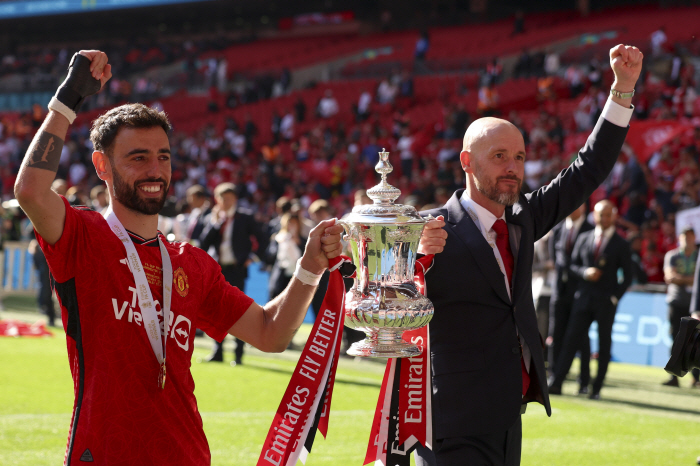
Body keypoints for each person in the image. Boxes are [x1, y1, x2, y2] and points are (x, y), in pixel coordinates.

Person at [13, 50, 347, 465]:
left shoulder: (192, 263)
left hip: (187, 454)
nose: (155, 170)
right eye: (138, 158)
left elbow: (271, 333)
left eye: (163, 157)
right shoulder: (84, 236)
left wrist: (309, 268)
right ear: (102, 165)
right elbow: (29, 191)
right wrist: (67, 100)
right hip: (102, 452)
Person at [415, 44, 642, 466]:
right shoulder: (427, 230)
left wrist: (622, 90)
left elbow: (587, 168)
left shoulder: (524, 218)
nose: (512, 168)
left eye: (518, 157)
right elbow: (367, 278)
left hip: (509, 418)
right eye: (499, 156)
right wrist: (411, 255)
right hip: (451, 425)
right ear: (467, 161)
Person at [549, 200, 633, 399]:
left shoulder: (621, 244)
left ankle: (596, 388)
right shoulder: (585, 238)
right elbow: (572, 265)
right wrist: (585, 272)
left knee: (603, 345)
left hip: (605, 301)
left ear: (613, 216)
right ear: (594, 216)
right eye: (600, 215)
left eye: (607, 215)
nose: (603, 218)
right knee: (570, 340)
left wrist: (614, 298)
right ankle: (557, 382)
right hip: (583, 298)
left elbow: (627, 276)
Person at [198, 182, 263, 366]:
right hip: (218, 270)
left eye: (228, 198)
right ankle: (217, 352)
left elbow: (263, 237)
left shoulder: (245, 217)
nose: (224, 202)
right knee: (216, 310)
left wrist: (254, 257)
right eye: (221, 198)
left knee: (238, 311)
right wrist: (216, 223)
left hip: (236, 268)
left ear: (234, 199)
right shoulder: (212, 217)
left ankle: (238, 354)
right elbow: (203, 243)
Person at [547, 203, 593, 390]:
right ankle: (554, 376)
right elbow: (555, 260)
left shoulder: (590, 230)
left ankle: (583, 379)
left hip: (580, 293)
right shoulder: (557, 229)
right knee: (556, 333)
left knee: (581, 337)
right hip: (559, 291)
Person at [662, 226, 697, 387]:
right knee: (675, 337)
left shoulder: (697, 256)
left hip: (695, 304)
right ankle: (673, 376)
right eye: (684, 237)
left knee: (697, 341)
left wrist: (680, 278)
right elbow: (670, 277)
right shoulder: (672, 255)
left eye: (690, 237)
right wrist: (692, 279)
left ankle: (696, 378)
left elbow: (676, 277)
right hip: (676, 301)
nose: (687, 240)